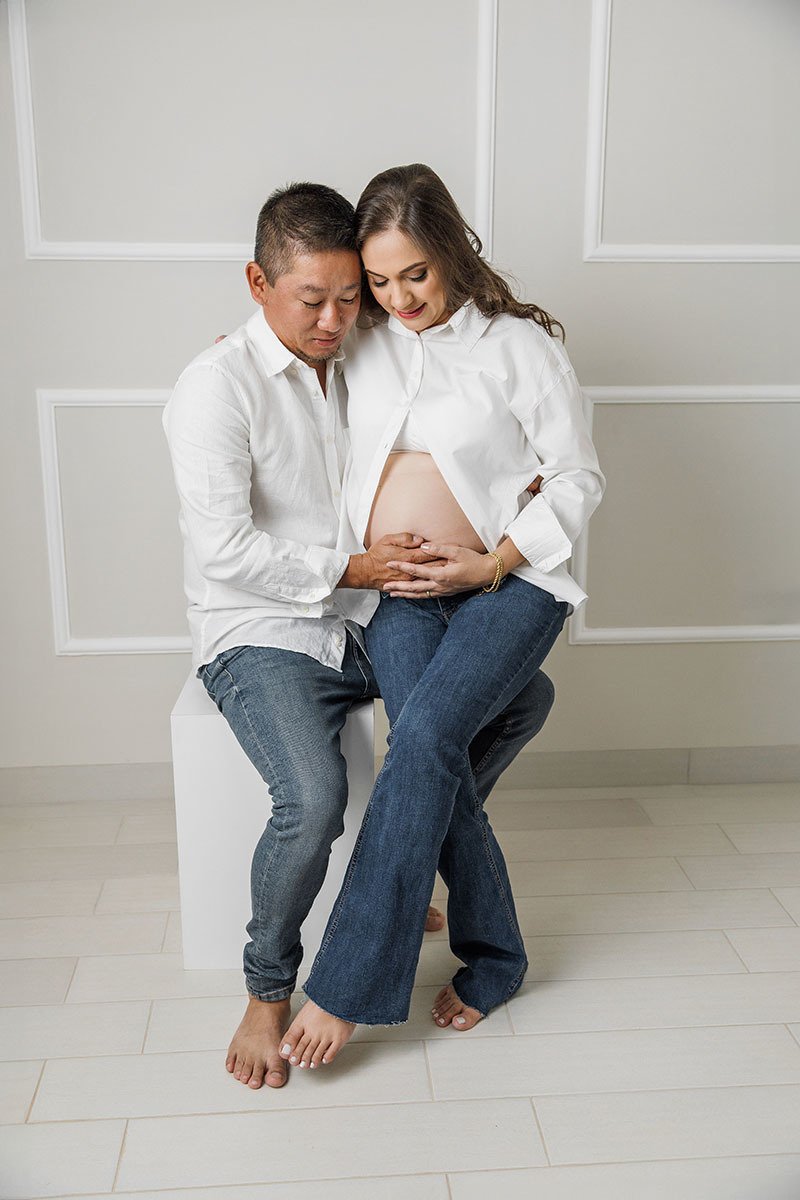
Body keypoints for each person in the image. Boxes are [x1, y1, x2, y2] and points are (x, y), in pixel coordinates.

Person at [163, 182, 557, 1090]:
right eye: (313, 299)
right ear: (257, 283)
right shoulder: (214, 388)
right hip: (263, 630)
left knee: (521, 698)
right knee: (312, 800)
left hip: (362, 619)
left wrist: (520, 485)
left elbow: (458, 398)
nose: (336, 319)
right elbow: (225, 551)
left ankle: (404, 865)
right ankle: (268, 990)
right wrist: (356, 568)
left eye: (351, 297)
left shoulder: (365, 349)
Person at [278, 164, 604, 1071]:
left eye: (414, 274)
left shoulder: (517, 348)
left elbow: (578, 476)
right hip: (399, 592)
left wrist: (494, 559)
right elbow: (283, 352)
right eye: (380, 281)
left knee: (422, 739)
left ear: (452, 252)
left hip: (510, 584)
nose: (398, 298)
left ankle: (343, 987)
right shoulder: (363, 338)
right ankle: (497, 956)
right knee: (433, 748)